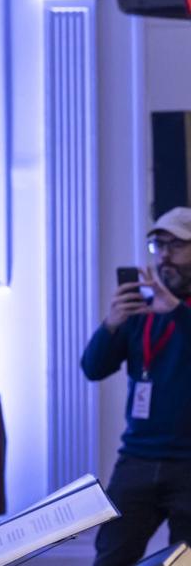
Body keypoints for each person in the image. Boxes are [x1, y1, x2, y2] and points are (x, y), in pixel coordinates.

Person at [81, 206, 191, 566]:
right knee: (111, 555)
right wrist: (111, 324)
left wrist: (174, 309)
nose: (164, 257)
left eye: (175, 246)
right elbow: (93, 368)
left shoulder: (172, 309)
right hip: (137, 458)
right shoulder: (141, 310)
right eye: (157, 246)